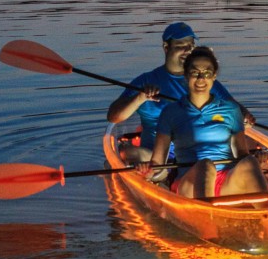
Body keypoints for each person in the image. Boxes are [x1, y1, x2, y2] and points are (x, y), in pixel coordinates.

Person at [106, 21, 253, 162]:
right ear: (166, 47)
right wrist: (140, 98)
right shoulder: (145, 81)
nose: (188, 50)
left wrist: (245, 117)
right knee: (128, 152)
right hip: (154, 155)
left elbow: (235, 109)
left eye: (191, 46)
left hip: (196, 152)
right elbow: (114, 117)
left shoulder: (203, 81)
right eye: (181, 46)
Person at [138, 46, 268, 199]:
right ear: (186, 76)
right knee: (205, 165)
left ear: (214, 76)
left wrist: (258, 159)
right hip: (188, 183)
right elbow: (158, 164)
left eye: (207, 73)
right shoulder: (170, 113)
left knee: (250, 162)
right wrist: (148, 171)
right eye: (195, 72)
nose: (201, 78)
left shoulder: (231, 110)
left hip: (224, 181)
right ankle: (206, 215)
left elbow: (242, 155)